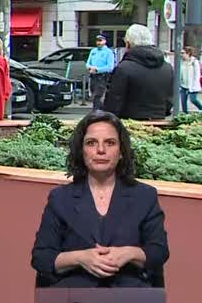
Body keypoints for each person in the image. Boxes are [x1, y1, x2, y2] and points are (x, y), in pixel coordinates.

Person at [31, 111, 169, 287]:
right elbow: (41, 257)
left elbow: (159, 251)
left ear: (121, 152)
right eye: (91, 143)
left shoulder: (144, 196)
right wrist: (80, 258)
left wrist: (130, 253)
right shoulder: (60, 198)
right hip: (73, 299)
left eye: (110, 143)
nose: (101, 150)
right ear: (81, 151)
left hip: (130, 298)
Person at [103, 24, 175, 120]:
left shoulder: (124, 68)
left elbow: (113, 101)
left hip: (129, 121)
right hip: (158, 119)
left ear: (128, 44)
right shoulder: (167, 68)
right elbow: (170, 99)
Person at [86, 35, 115, 111]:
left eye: (100, 40)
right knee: (93, 94)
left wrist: (97, 69)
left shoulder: (109, 52)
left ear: (105, 41)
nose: (98, 42)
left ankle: (97, 112)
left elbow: (110, 67)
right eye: (97, 41)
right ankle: (97, 111)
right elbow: (88, 63)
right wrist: (90, 68)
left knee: (98, 96)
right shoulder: (93, 51)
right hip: (93, 76)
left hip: (102, 77)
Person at [178, 46, 202, 113]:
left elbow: (197, 75)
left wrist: (194, 86)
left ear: (188, 53)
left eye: (183, 53)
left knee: (193, 100)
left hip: (192, 85)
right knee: (183, 101)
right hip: (183, 85)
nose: (181, 54)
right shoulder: (181, 62)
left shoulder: (194, 62)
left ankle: (201, 108)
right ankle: (185, 114)